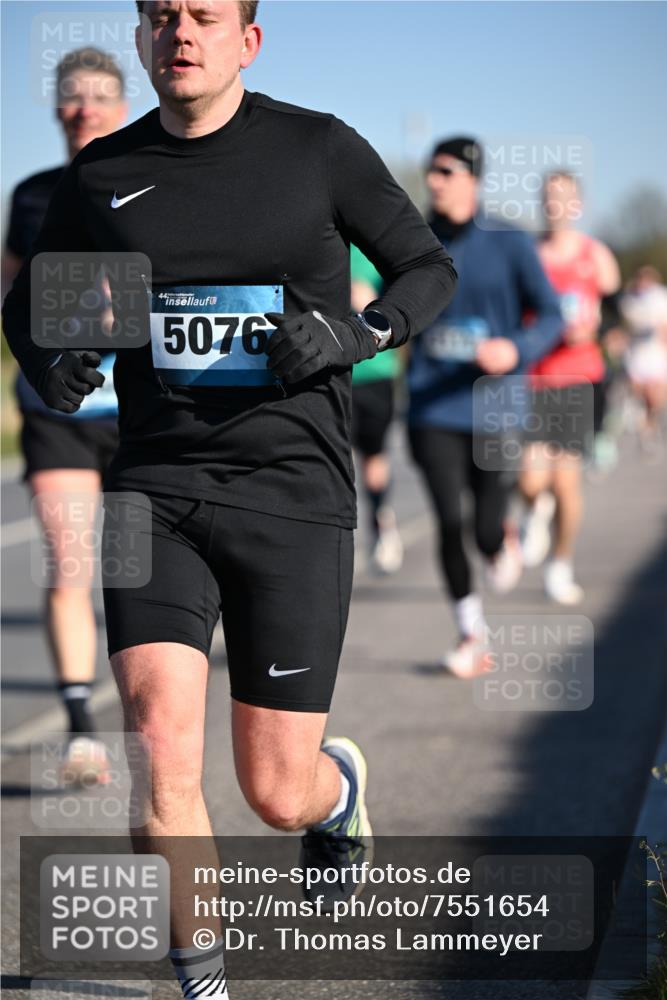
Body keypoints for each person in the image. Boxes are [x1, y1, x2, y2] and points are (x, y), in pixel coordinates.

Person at [3, 2, 457, 996]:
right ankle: (203, 983)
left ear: (247, 41)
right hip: (155, 485)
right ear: (140, 40)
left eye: (204, 15)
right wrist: (55, 358)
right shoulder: (103, 174)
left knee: (274, 791)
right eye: (161, 16)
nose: (181, 31)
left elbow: (428, 266)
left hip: (291, 490)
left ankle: (334, 798)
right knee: (161, 749)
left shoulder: (318, 149)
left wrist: (359, 332)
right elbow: (30, 301)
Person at [1, 47, 127, 782]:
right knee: (69, 559)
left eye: (100, 96)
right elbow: (12, 295)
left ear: (120, 107)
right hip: (55, 406)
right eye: (72, 96)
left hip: (140, 408)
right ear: (57, 109)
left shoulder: (152, 182)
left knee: (144, 571)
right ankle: (81, 726)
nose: (84, 107)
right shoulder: (29, 195)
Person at [407, 137, 562, 678]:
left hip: (495, 406)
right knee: (450, 521)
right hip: (431, 405)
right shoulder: (412, 238)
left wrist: (515, 348)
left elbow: (550, 314)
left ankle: (504, 537)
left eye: (446, 172)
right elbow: (379, 289)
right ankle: (471, 632)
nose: (435, 182)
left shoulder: (510, 242)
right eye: (430, 172)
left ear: (473, 178)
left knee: (485, 530)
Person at [518, 172, 620, 604]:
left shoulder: (595, 255)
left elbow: (616, 314)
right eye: (549, 197)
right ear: (542, 203)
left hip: (579, 377)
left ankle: (560, 565)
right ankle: (532, 511)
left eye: (565, 197)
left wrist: (595, 330)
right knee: (530, 480)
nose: (556, 204)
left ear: (578, 204)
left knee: (566, 483)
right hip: (534, 379)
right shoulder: (529, 254)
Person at [350, 245, 403, 574]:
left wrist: (372, 303)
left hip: (375, 373)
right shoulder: (314, 236)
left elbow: (408, 299)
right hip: (331, 372)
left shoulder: (375, 244)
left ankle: (381, 521)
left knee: (373, 459)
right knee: (338, 456)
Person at [620, 265, 667, 458]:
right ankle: (643, 424)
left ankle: (650, 426)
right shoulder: (629, 301)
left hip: (656, 354)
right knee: (639, 392)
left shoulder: (661, 298)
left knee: (654, 397)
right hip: (636, 354)